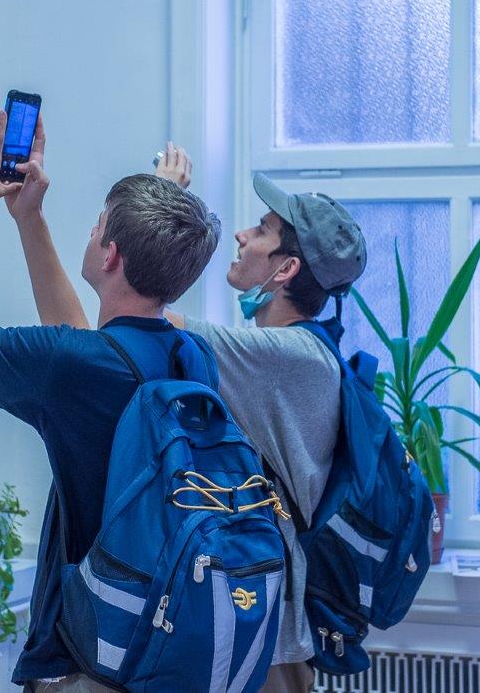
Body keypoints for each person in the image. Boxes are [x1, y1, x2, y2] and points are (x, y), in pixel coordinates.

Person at [0, 114, 222, 692]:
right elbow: (84, 344)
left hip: (91, 662)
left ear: (111, 255)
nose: (91, 232)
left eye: (98, 225)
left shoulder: (75, 366)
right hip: (159, 646)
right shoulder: (192, 357)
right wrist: (29, 219)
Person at [152, 147, 367, 693]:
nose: (242, 235)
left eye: (262, 230)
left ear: (286, 269)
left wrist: (163, 202)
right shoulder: (294, 352)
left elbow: (144, 316)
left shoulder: (286, 355)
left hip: (268, 627)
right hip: (256, 611)